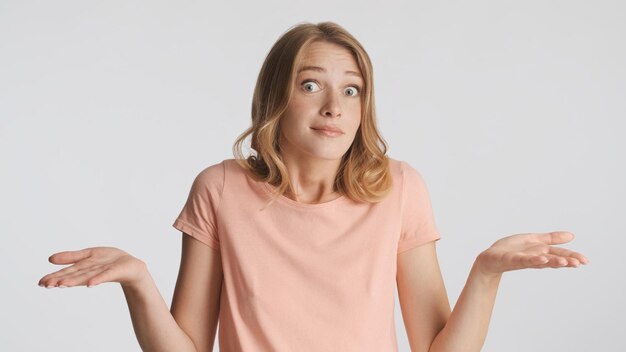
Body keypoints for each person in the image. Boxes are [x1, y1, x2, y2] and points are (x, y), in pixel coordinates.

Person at [38, 21, 588, 352]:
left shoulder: (398, 188)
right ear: (278, 96)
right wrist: (138, 280)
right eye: (311, 85)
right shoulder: (220, 189)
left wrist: (486, 272)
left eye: (352, 90)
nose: (334, 107)